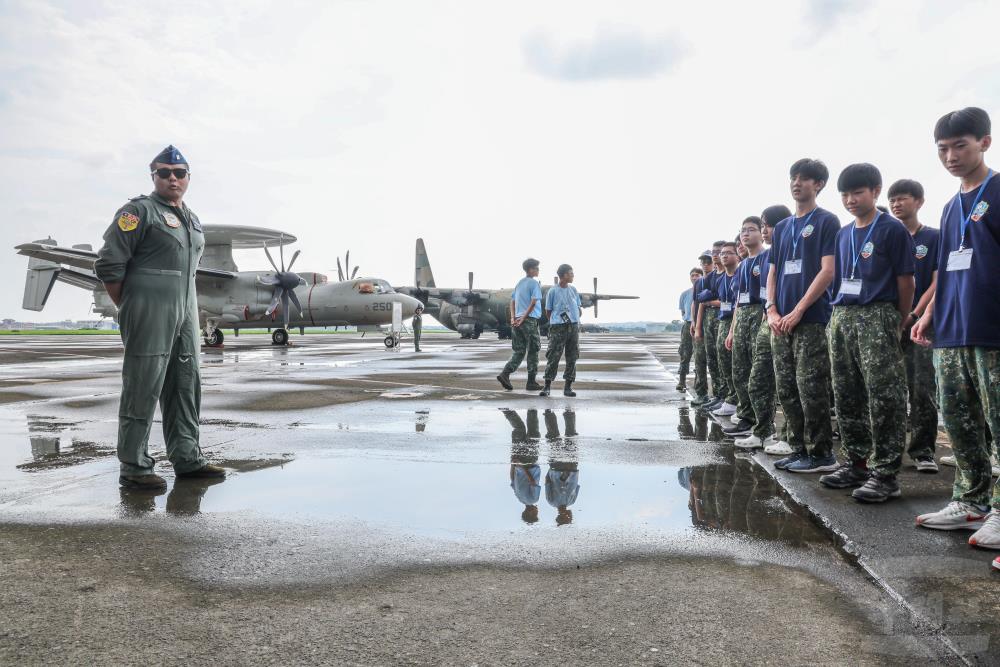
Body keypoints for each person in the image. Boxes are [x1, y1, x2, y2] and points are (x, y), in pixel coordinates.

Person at [94, 145, 225, 489]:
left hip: (186, 310)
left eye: (179, 173)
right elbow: (109, 264)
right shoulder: (138, 212)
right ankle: (134, 468)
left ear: (188, 178)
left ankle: (187, 458)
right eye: (164, 172)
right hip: (149, 308)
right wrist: (132, 305)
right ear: (153, 176)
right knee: (143, 385)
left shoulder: (191, 219)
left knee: (185, 384)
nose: (172, 178)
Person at [913, 108, 1000, 565]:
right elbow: (945, 268)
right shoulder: (951, 207)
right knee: (961, 420)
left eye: (959, 146)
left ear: (985, 142)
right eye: (943, 149)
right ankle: (971, 499)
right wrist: (928, 314)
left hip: (991, 328)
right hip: (952, 329)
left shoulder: (999, 190)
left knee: (998, 422)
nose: (950, 156)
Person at [819, 164, 914, 503]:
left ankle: (886, 473)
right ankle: (856, 462)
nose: (850, 200)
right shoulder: (843, 234)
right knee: (846, 393)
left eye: (857, 192)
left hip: (878, 315)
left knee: (883, 395)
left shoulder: (892, 229)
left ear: (875, 191)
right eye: (845, 194)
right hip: (843, 315)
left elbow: (906, 282)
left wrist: (898, 320)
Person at [766, 158, 840, 474]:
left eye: (804, 178)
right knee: (787, 388)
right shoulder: (782, 228)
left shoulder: (826, 221)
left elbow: (828, 270)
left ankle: (821, 453)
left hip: (809, 319)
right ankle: (798, 448)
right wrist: (771, 309)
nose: (797, 183)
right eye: (793, 177)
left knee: (811, 387)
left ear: (818, 184)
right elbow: (773, 271)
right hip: (779, 320)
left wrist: (797, 311)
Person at [888, 179, 940, 473]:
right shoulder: (887, 236)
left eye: (902, 198)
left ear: (918, 201)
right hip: (888, 323)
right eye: (892, 199)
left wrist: (914, 314)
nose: (896, 204)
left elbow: (937, 280)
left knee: (922, 388)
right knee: (888, 389)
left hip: (920, 323)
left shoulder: (932, 237)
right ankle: (885, 450)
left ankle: (923, 451)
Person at [738, 206, 792, 452]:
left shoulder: (783, 250)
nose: (764, 230)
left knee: (789, 385)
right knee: (757, 380)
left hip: (788, 321)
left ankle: (792, 439)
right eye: (761, 226)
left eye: (765, 226)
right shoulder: (773, 255)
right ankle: (762, 432)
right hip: (768, 319)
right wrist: (769, 311)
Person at [724, 218, 766, 437]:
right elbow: (738, 301)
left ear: (761, 233)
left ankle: (763, 424)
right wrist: (732, 330)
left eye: (751, 230)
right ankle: (746, 417)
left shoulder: (767, 258)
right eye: (743, 231)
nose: (745, 234)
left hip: (760, 312)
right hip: (743, 316)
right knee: (740, 370)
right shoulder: (742, 266)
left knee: (758, 373)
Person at [497, 258, 543, 391]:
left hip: (516, 320)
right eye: (536, 268)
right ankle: (531, 382)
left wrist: (513, 318)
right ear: (531, 270)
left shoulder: (519, 283)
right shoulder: (534, 284)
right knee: (533, 350)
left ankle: (505, 374)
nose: (538, 270)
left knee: (519, 350)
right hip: (528, 320)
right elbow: (533, 302)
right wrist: (524, 317)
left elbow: (512, 302)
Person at [540, 264, 582, 397]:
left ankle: (568, 387)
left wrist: (575, 318)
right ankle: (547, 387)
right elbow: (548, 311)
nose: (573, 275)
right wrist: (556, 322)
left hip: (573, 327)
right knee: (553, 356)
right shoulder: (552, 291)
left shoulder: (573, 290)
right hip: (558, 327)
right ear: (563, 275)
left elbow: (578, 307)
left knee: (572, 356)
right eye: (571, 273)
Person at [695, 241, 727, 410]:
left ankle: (726, 396)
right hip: (708, 320)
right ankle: (718, 395)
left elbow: (729, 302)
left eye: (719, 252)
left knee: (724, 360)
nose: (715, 255)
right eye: (714, 252)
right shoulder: (709, 278)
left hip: (723, 319)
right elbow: (701, 302)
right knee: (712, 359)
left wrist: (713, 302)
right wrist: (698, 326)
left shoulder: (729, 274)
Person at [710, 241, 740, 418]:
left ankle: (737, 401)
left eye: (729, 252)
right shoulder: (720, 280)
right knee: (724, 362)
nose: (724, 256)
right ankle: (730, 398)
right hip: (724, 321)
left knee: (738, 364)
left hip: (735, 321)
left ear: (737, 256)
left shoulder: (739, 275)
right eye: (722, 253)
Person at [505, 409, 541, 524]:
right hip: (516, 460)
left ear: (530, 513)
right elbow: (512, 479)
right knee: (519, 429)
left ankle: (532, 409)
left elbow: (532, 482)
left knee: (533, 433)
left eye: (536, 514)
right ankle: (507, 410)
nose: (537, 511)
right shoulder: (519, 498)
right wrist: (513, 464)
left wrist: (522, 466)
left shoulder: (533, 499)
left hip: (529, 463)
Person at [690, 251, 716, 405]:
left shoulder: (717, 277)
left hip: (715, 322)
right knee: (699, 360)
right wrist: (694, 323)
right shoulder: (699, 282)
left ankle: (719, 395)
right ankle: (701, 393)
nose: (705, 264)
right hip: (701, 322)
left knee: (714, 360)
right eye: (703, 262)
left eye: (708, 261)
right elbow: (696, 303)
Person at [677, 268, 703, 392]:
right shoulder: (685, 294)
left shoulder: (705, 291)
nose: (694, 277)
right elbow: (683, 311)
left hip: (702, 324)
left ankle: (699, 383)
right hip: (688, 325)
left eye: (697, 275)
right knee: (685, 353)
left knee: (700, 355)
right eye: (692, 275)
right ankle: (682, 381)